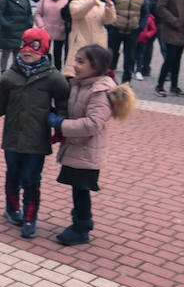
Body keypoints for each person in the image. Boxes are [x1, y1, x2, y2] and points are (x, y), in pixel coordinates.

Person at [0, 28, 69, 238]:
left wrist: (60, 127)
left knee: (31, 179)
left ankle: (30, 217)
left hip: (36, 140)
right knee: (13, 174)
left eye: (34, 47)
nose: (27, 51)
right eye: (24, 46)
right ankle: (12, 208)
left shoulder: (54, 78)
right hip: (12, 137)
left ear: (44, 50)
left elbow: (64, 102)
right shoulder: (10, 75)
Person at [48, 44, 134, 246]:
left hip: (87, 149)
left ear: (96, 66)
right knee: (78, 188)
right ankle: (79, 221)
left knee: (81, 188)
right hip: (77, 146)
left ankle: (82, 227)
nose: (75, 65)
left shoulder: (100, 91)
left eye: (81, 62)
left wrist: (61, 124)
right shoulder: (81, 84)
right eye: (75, 60)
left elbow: (93, 124)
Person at [64, 0, 115, 78]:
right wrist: (92, 0)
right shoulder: (75, 3)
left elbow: (109, 20)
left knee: (96, 72)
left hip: (98, 42)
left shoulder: (101, 5)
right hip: (80, 41)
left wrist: (109, 7)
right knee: (77, 72)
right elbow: (78, 13)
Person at [109, 0, 147, 80]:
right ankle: (109, 80)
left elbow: (145, 13)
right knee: (111, 56)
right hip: (115, 30)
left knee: (129, 58)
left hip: (132, 32)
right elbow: (109, 10)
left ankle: (126, 81)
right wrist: (110, 26)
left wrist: (140, 27)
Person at [0, 0, 34, 72]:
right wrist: (6, 24)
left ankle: (16, 71)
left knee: (18, 53)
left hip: (22, 30)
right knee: (6, 53)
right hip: (9, 30)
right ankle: (3, 71)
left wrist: (30, 24)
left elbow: (29, 13)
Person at [139, 0, 170, 77]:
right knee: (146, 47)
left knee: (165, 48)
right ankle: (145, 68)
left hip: (164, 22)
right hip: (151, 21)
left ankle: (168, 72)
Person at [34, 0, 70, 69]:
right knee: (43, 54)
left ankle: (57, 75)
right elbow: (38, 13)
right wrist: (41, 25)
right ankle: (43, 72)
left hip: (61, 32)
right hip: (45, 31)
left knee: (58, 56)